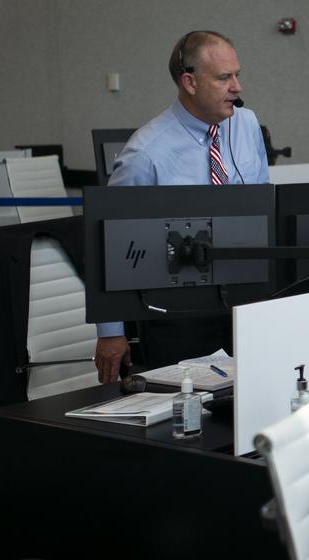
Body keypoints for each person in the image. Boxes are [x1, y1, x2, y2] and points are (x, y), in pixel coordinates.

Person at [94, 30, 270, 383]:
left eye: (237, 75)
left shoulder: (246, 124)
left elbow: (265, 207)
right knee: (187, 407)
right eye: (224, 78)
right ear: (190, 82)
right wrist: (111, 332)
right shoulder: (145, 153)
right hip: (179, 311)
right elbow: (108, 243)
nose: (237, 87)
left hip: (245, 300)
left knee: (252, 397)